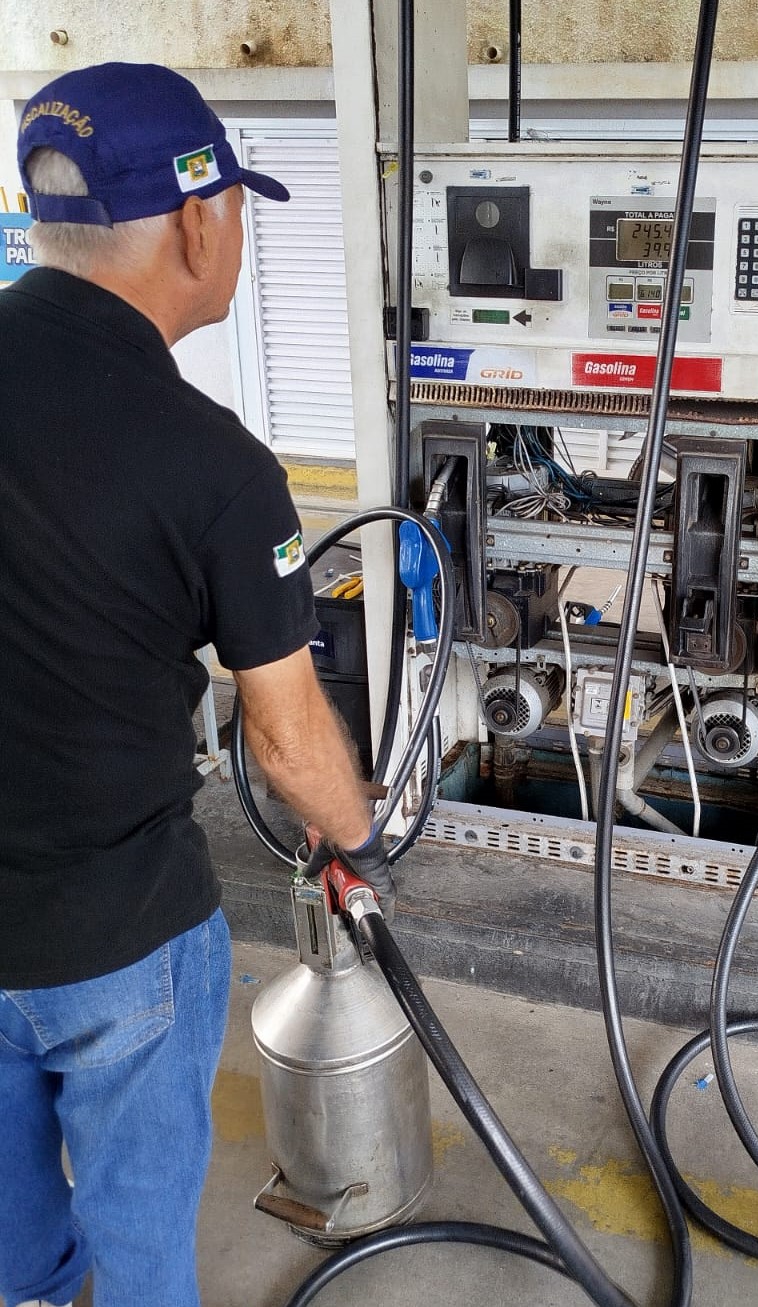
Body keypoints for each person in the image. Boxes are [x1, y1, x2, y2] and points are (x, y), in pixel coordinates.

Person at [0, 63, 394, 1307]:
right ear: (195, 222)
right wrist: (354, 833)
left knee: (8, 1220)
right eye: (233, 206)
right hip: (116, 932)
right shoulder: (214, 466)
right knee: (139, 1221)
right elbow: (286, 737)